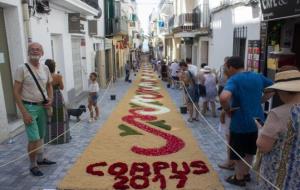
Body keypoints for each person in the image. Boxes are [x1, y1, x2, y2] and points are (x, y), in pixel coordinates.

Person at [220, 56, 273, 187]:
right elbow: (273, 87)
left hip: (240, 121)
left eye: (227, 67)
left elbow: (223, 97)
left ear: (231, 67)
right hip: (257, 120)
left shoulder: (234, 79)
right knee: (250, 150)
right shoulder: (258, 76)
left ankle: (238, 177)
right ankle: (246, 173)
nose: (226, 69)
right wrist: (261, 100)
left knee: (238, 151)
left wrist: (227, 109)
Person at [13, 42, 56, 177]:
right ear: (28, 52)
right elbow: (15, 92)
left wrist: (51, 98)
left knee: (41, 135)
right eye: (32, 49)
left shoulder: (45, 68)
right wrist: (24, 112)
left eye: (38, 49)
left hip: (42, 107)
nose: (35, 51)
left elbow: (49, 85)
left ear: (42, 53)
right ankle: (33, 165)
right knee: (33, 138)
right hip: (29, 107)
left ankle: (40, 159)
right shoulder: (22, 68)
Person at [256, 70, 300, 190]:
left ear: (282, 91)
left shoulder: (278, 113)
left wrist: (261, 130)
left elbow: (263, 146)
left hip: (280, 174)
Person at [44, 59, 70, 144]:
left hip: (47, 97)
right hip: (57, 97)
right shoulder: (58, 76)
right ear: (54, 67)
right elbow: (62, 87)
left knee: (50, 117)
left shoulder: (44, 76)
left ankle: (49, 137)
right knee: (61, 117)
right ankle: (62, 137)